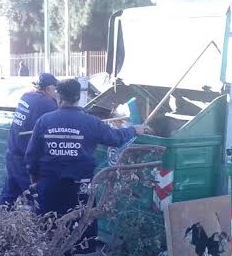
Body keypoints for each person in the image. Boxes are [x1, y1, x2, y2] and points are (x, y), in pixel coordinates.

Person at [25, 78, 147, 242]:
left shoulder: (44, 121)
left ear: (58, 98)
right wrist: (134, 130)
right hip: (80, 187)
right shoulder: (91, 122)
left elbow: (31, 156)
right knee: (77, 229)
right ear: (78, 98)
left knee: (47, 229)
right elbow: (116, 138)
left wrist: (34, 178)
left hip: (49, 184)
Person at [0, 73, 60, 209]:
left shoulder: (26, 96)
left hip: (13, 152)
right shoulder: (46, 103)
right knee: (38, 199)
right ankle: (41, 228)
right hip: (25, 158)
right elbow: (58, 119)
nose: (56, 92)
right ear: (48, 88)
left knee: (9, 194)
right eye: (55, 89)